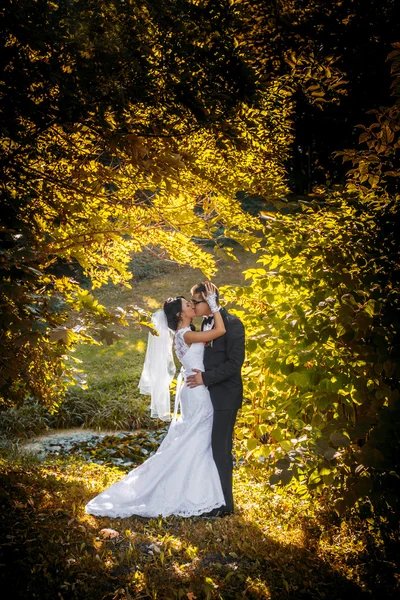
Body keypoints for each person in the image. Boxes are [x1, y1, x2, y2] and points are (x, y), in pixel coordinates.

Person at [85, 283, 228, 518]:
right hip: (198, 392)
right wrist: (213, 304)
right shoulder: (187, 334)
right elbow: (220, 331)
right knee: (197, 439)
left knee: (196, 439)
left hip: (194, 389)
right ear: (180, 314)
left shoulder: (184, 334)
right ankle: (192, 491)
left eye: (192, 303)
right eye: (188, 304)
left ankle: (196, 488)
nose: (192, 305)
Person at [187, 282, 245, 517]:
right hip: (208, 398)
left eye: (196, 301)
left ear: (209, 300)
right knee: (212, 448)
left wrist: (205, 378)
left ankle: (226, 505)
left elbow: (234, 364)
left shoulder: (233, 324)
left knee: (221, 450)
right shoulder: (205, 323)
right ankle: (214, 497)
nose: (193, 306)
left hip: (225, 397)